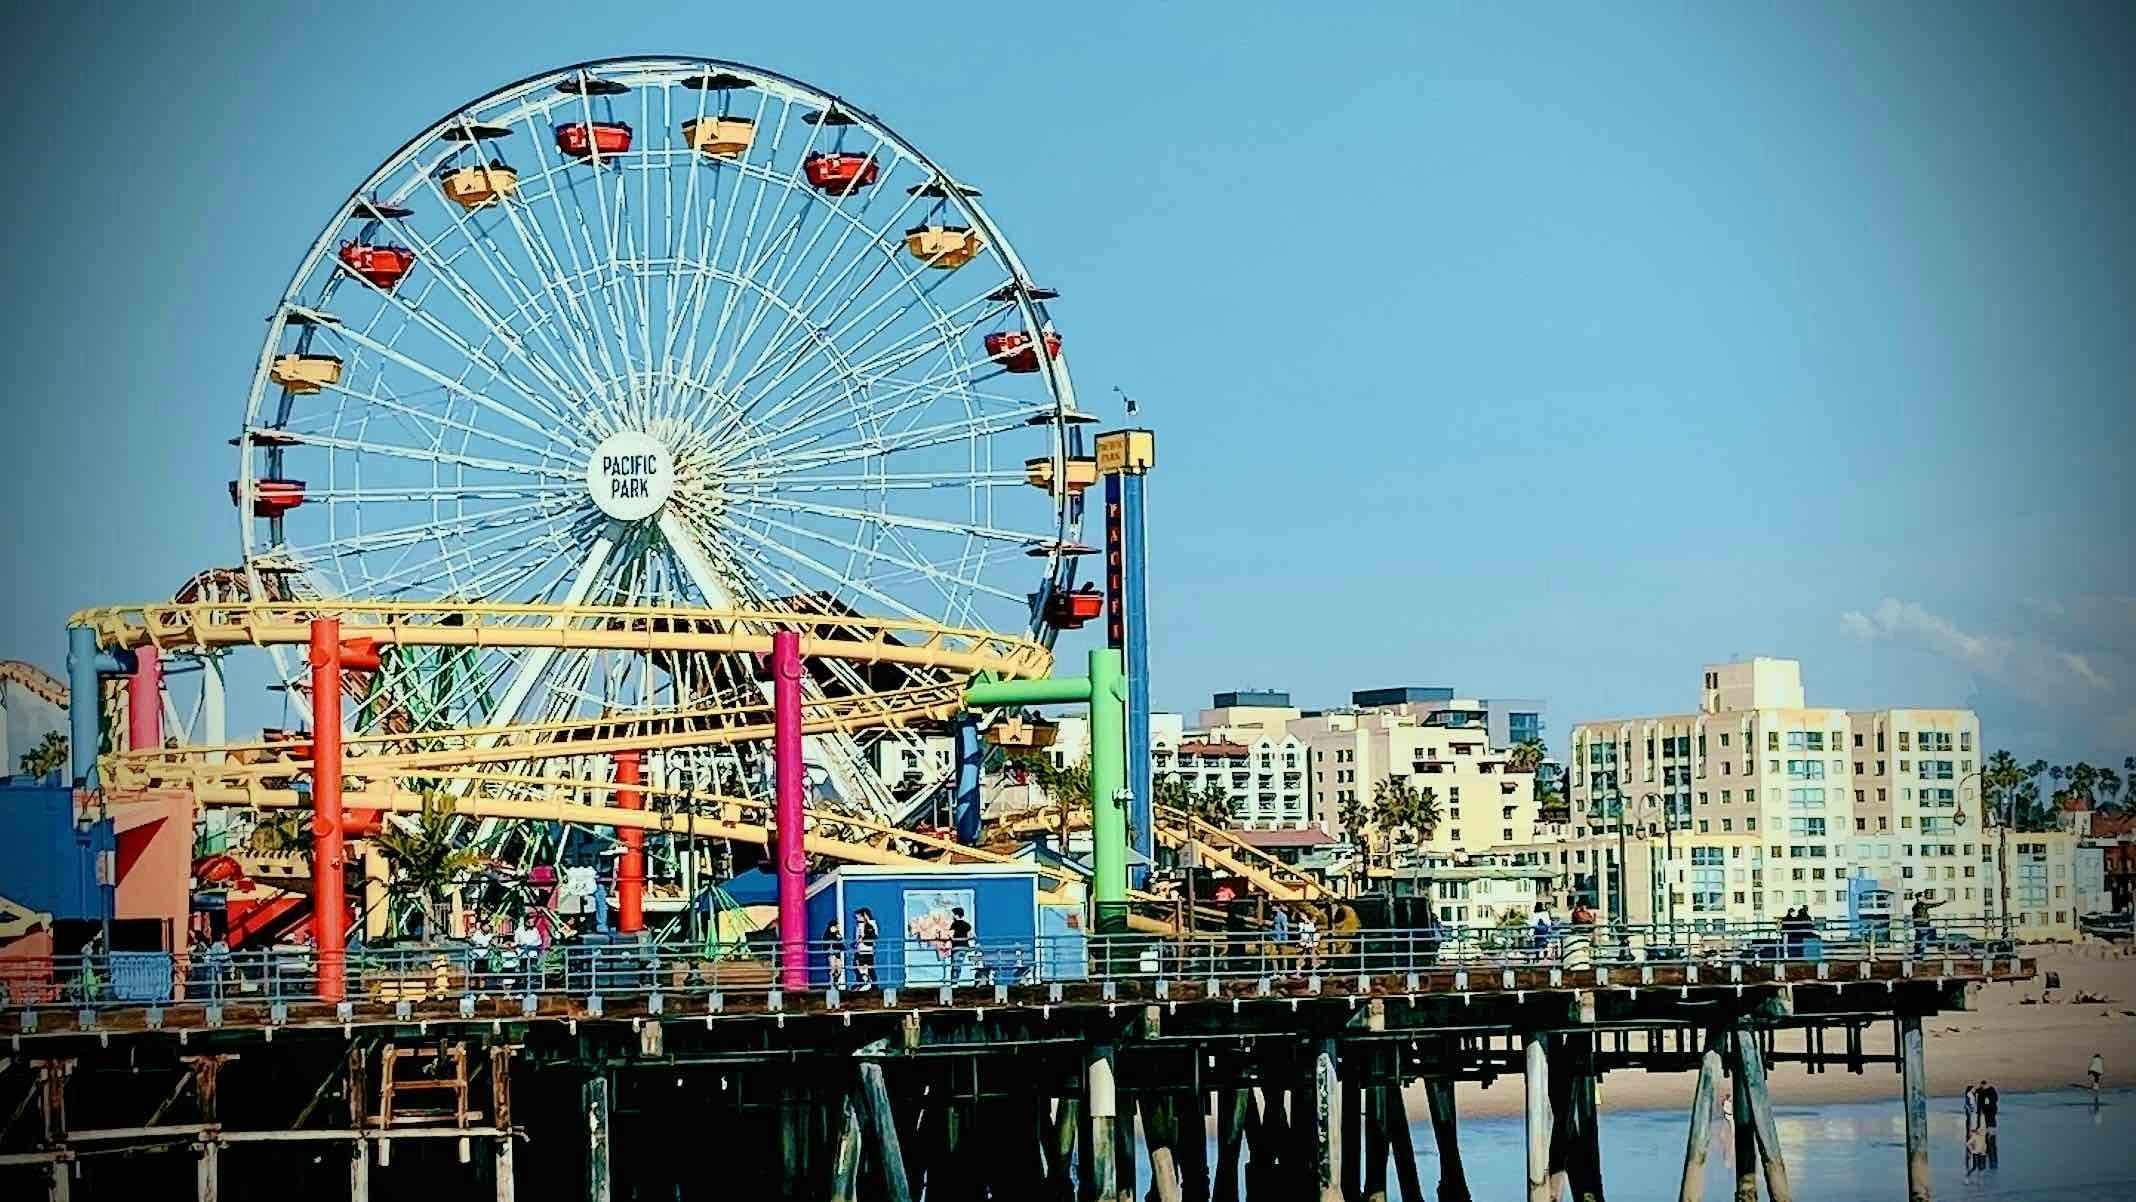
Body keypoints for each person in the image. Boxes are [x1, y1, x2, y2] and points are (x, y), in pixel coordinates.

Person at [1975, 1078, 1999, 1167]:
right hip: (1987, 1123)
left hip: (1989, 1123)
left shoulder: (1989, 1094)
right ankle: (1990, 1162)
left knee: (1990, 1142)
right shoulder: (1988, 1092)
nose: (1982, 1086)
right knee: (1988, 1142)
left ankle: (1991, 1162)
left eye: (1983, 1085)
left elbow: (1989, 1103)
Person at [853, 908, 878, 989]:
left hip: (866, 949)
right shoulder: (859, 925)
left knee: (866, 967)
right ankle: (866, 984)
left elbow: (873, 936)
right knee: (859, 966)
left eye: (858, 917)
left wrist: (862, 939)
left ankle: (869, 984)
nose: (857, 919)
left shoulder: (870, 924)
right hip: (860, 949)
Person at [949, 907, 974, 985]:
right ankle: (955, 981)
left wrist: (952, 938)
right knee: (958, 964)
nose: (952, 916)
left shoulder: (954, 924)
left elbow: (951, 936)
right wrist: (963, 938)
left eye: (953, 914)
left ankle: (954, 982)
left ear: (956, 915)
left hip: (956, 947)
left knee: (955, 965)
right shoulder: (967, 925)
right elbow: (970, 936)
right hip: (965, 947)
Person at [823, 919, 845, 990]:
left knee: (839, 969)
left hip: (837, 954)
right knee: (833, 969)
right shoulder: (827, 934)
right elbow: (825, 945)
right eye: (835, 926)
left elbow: (840, 943)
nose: (837, 927)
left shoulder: (837, 933)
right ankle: (832, 985)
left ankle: (835, 982)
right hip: (831, 954)